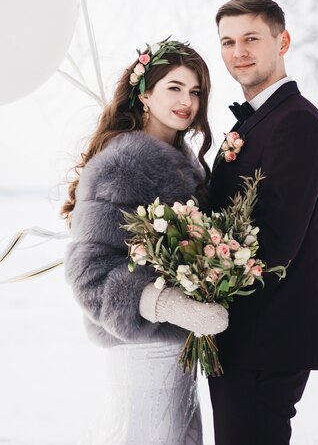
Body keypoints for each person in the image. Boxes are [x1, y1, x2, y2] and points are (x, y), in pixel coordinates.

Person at [62, 40, 228, 445]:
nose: (187, 100)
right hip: (141, 349)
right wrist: (168, 304)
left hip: (178, 350)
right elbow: (88, 275)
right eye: (175, 87)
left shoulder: (186, 164)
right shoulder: (123, 164)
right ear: (146, 94)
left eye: (195, 91)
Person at [209, 0, 318, 445]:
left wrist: (206, 284)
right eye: (228, 41)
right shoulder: (259, 121)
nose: (238, 51)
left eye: (251, 39)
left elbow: (277, 239)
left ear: (282, 41)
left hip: (268, 336)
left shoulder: (296, 121)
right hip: (245, 338)